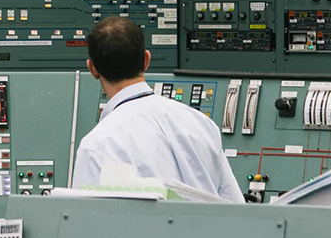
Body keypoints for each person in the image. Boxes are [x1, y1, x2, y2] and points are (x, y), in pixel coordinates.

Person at [72, 16, 244, 202]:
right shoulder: (202, 124)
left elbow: (85, 224)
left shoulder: (97, 145)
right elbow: (236, 210)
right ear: (146, 60)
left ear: (93, 69)